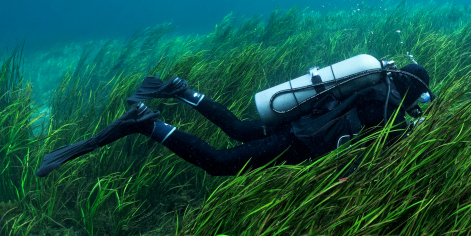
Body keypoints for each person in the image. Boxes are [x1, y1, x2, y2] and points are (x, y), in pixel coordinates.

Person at [35, 61, 431, 178]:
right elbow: (370, 154)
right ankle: (146, 123)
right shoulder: (391, 113)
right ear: (413, 90)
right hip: (301, 142)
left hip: (297, 120)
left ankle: (182, 90)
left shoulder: (373, 83)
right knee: (221, 164)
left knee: (239, 128)